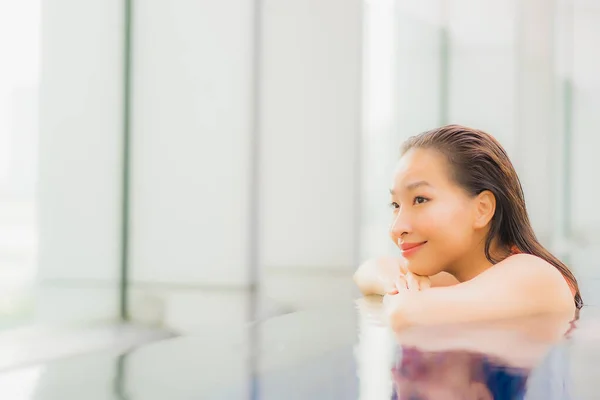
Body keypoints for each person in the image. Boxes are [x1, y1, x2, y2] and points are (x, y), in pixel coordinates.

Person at [353, 125, 582, 330]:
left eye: (420, 199)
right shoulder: (466, 277)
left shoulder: (534, 276)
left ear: (481, 209)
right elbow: (369, 270)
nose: (396, 228)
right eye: (396, 204)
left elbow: (404, 313)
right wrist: (401, 284)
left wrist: (403, 296)